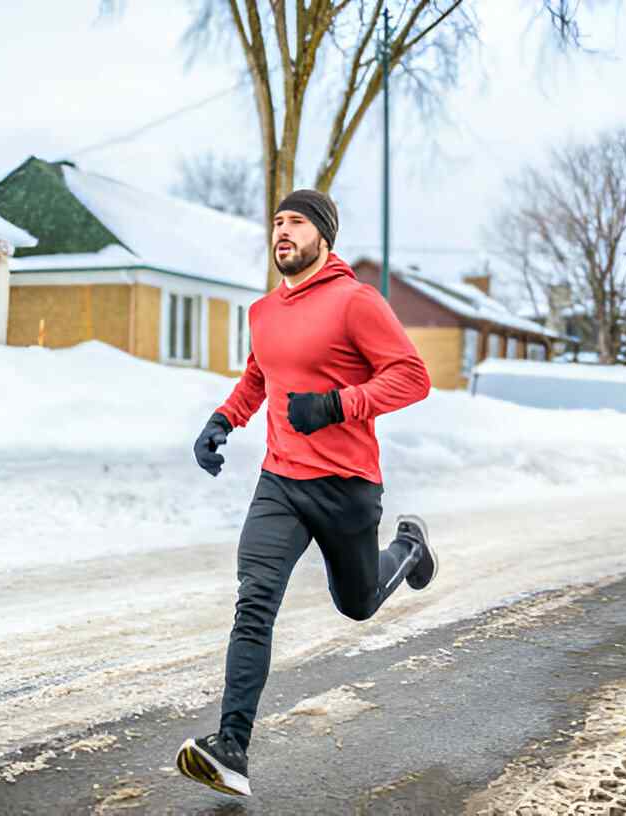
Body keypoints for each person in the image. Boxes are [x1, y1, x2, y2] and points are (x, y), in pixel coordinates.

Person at [175, 189, 438, 798]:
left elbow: (412, 377)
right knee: (255, 600)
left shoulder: (356, 302)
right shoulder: (266, 311)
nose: (282, 232)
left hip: (346, 487)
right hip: (281, 482)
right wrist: (223, 419)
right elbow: (259, 376)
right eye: (276, 223)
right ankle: (232, 746)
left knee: (358, 602)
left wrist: (338, 404)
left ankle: (410, 547)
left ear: (324, 236)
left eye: (295, 222)